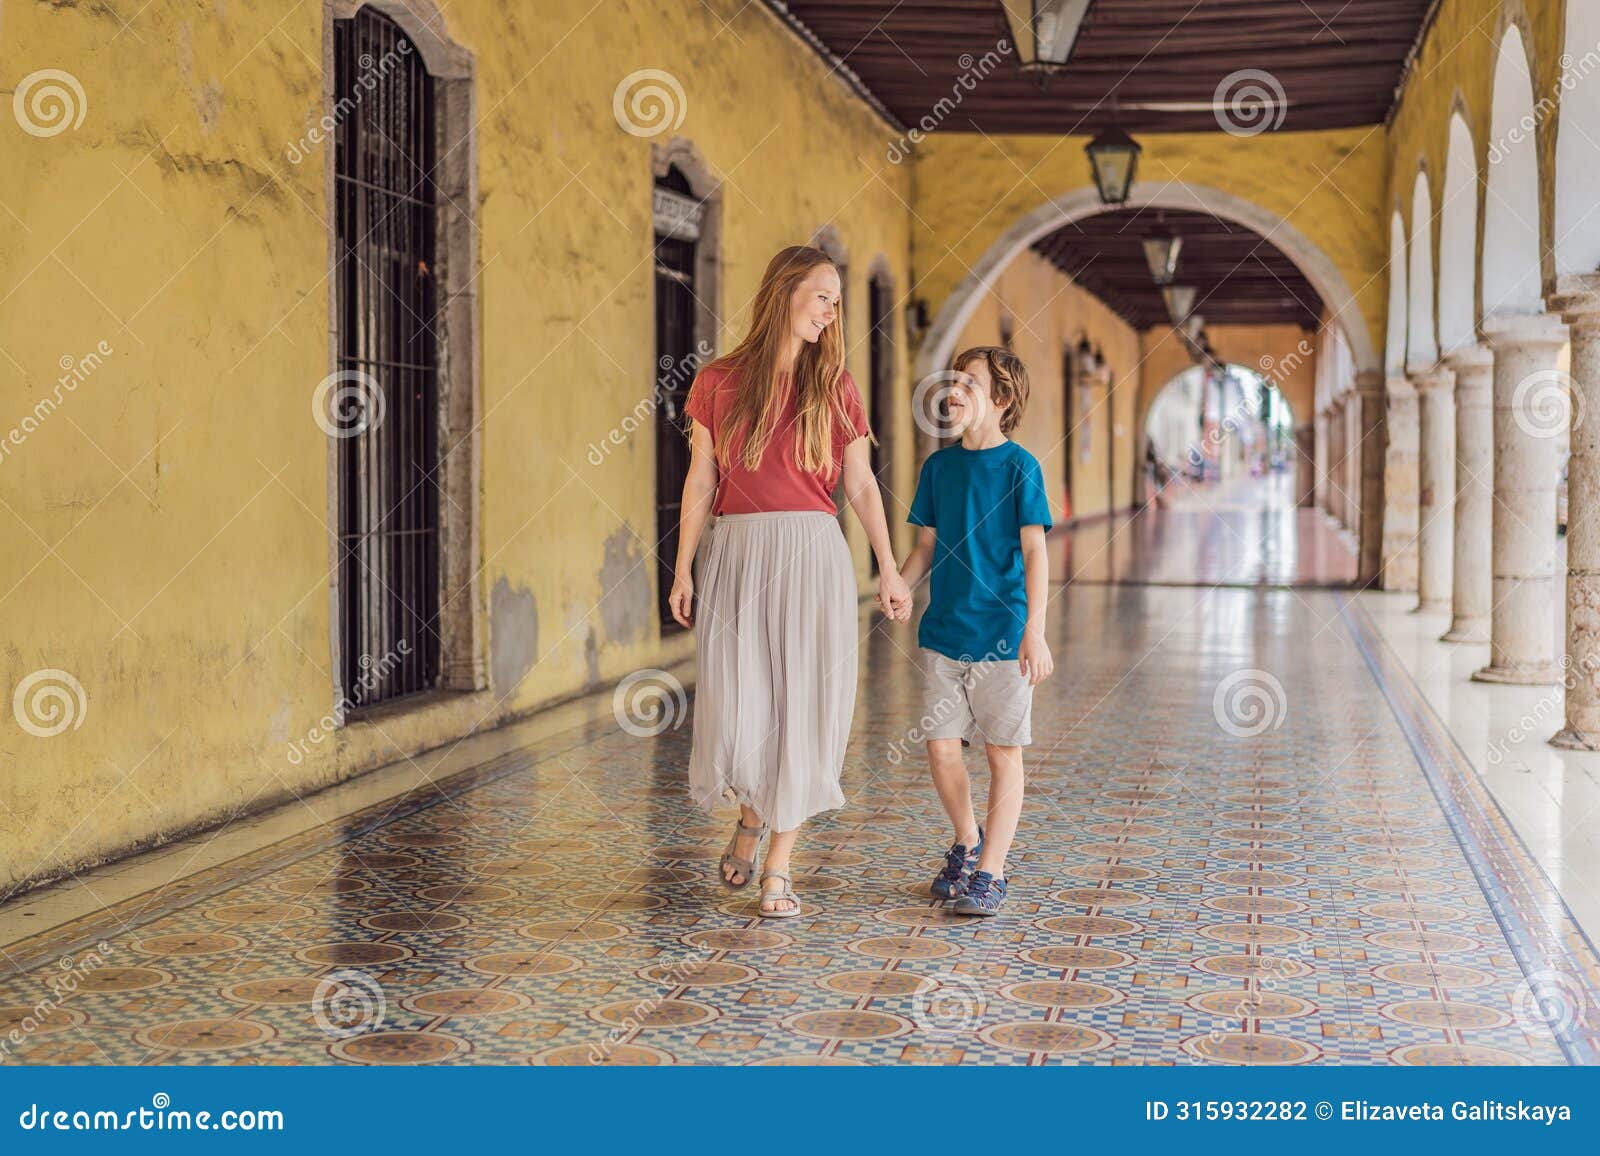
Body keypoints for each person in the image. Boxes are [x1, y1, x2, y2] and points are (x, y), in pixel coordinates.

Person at [669, 245, 910, 918]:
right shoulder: (717, 381)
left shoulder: (836, 385)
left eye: (837, 301)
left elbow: (859, 482)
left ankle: (779, 863)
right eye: (823, 296)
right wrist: (684, 564)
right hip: (738, 552)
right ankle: (751, 817)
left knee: (805, 707)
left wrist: (888, 566)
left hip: (814, 554)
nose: (832, 312)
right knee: (744, 705)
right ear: (783, 293)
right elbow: (702, 479)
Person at [894, 346, 1054, 916]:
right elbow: (927, 546)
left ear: (1002, 399)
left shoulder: (1020, 467)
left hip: (1005, 636)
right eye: (952, 381)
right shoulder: (939, 468)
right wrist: (902, 584)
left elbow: (1035, 553)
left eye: (969, 383)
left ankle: (991, 872)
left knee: (1002, 755)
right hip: (944, 633)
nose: (954, 391)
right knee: (940, 750)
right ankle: (967, 841)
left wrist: (1034, 631)